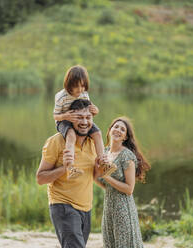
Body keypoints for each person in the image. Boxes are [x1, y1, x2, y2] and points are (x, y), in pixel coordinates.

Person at [36, 99, 106, 248]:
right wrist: (64, 168)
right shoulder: (56, 142)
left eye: (88, 118)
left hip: (86, 208)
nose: (85, 122)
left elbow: (94, 177)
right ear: (70, 118)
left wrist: (101, 170)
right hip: (63, 205)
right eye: (80, 117)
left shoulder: (93, 143)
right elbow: (40, 178)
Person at [95, 117, 151, 248]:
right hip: (109, 206)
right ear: (109, 130)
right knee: (110, 243)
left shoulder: (127, 156)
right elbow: (105, 184)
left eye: (122, 129)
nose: (118, 130)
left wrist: (107, 177)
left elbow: (129, 189)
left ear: (125, 137)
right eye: (116, 127)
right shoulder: (105, 152)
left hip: (123, 208)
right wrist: (94, 176)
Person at [53, 65, 105, 179]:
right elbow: (55, 116)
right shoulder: (61, 97)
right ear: (69, 84)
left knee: (97, 133)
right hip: (64, 121)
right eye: (76, 86)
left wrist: (95, 110)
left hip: (81, 120)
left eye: (83, 86)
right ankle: (71, 168)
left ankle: (103, 162)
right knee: (71, 136)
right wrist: (64, 116)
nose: (80, 89)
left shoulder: (84, 94)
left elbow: (88, 110)